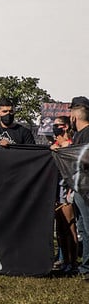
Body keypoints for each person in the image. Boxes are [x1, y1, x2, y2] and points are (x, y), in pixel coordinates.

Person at [51, 116, 78, 275]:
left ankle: (73, 262)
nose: (55, 128)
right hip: (56, 189)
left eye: (58, 125)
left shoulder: (71, 145)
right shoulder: (55, 145)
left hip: (67, 189)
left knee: (70, 226)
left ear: (66, 127)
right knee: (60, 228)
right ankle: (64, 260)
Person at [66, 96, 89, 279]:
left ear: (74, 117)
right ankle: (85, 267)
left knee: (88, 228)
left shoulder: (87, 133)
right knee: (82, 228)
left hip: (86, 188)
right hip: (79, 187)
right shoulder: (79, 135)